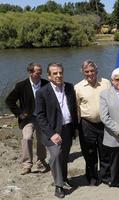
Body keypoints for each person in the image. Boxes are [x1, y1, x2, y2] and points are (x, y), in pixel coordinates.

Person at [36, 63, 78, 198]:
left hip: (67, 128)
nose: (59, 75)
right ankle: (58, 186)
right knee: (55, 156)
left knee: (64, 156)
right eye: (55, 73)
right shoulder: (42, 92)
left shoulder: (70, 87)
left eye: (60, 72)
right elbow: (40, 116)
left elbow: (73, 109)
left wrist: (75, 128)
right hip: (52, 131)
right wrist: (52, 134)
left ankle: (64, 179)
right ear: (49, 76)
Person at [5, 63, 49, 175]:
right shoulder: (21, 86)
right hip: (28, 118)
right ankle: (27, 165)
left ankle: (41, 162)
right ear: (30, 72)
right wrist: (20, 114)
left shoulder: (46, 84)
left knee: (42, 139)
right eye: (37, 72)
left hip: (42, 116)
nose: (40, 74)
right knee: (27, 138)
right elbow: (9, 100)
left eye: (40, 71)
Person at [74, 60, 111, 185]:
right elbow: (76, 108)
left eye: (92, 70)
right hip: (87, 123)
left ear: (96, 70)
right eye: (87, 71)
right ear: (83, 73)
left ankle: (105, 176)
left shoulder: (106, 83)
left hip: (104, 123)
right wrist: (76, 127)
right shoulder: (78, 88)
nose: (90, 73)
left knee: (105, 150)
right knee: (89, 152)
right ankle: (92, 177)